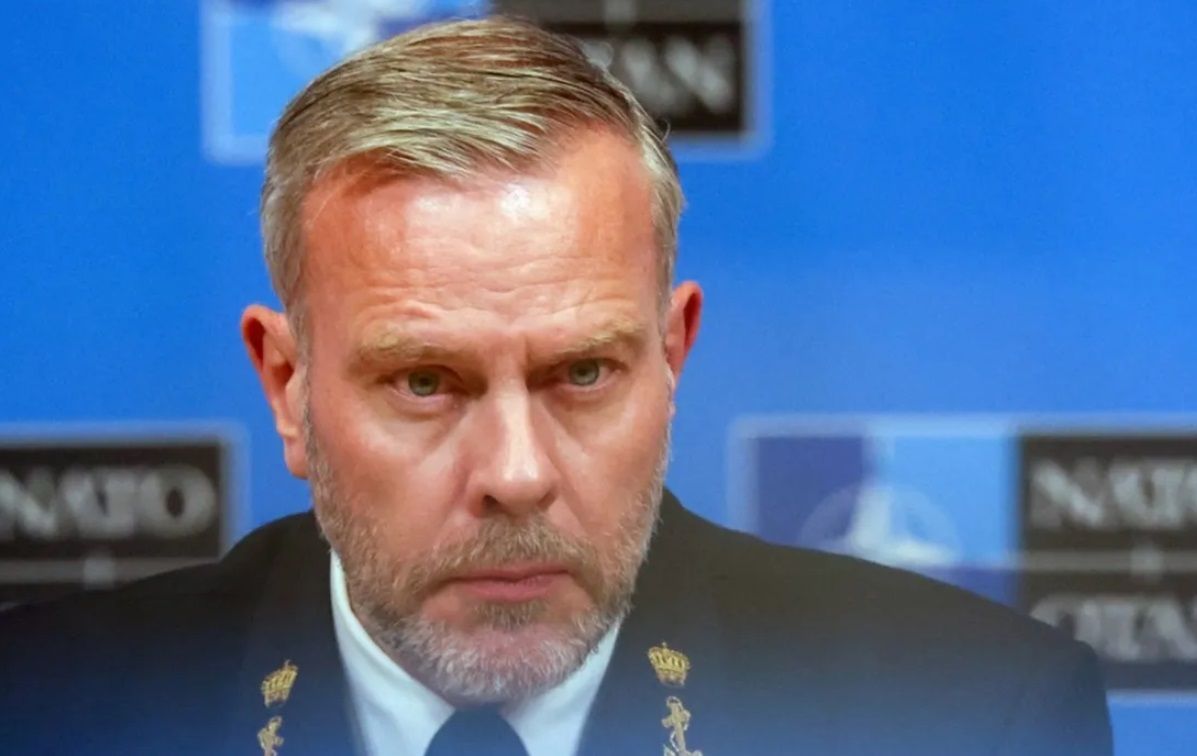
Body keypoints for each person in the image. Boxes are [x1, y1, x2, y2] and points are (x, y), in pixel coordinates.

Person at [0, 17, 1110, 756]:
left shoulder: (967, 716)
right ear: (288, 388)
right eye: (425, 382)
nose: (518, 475)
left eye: (582, 373)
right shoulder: (44, 713)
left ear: (671, 359)